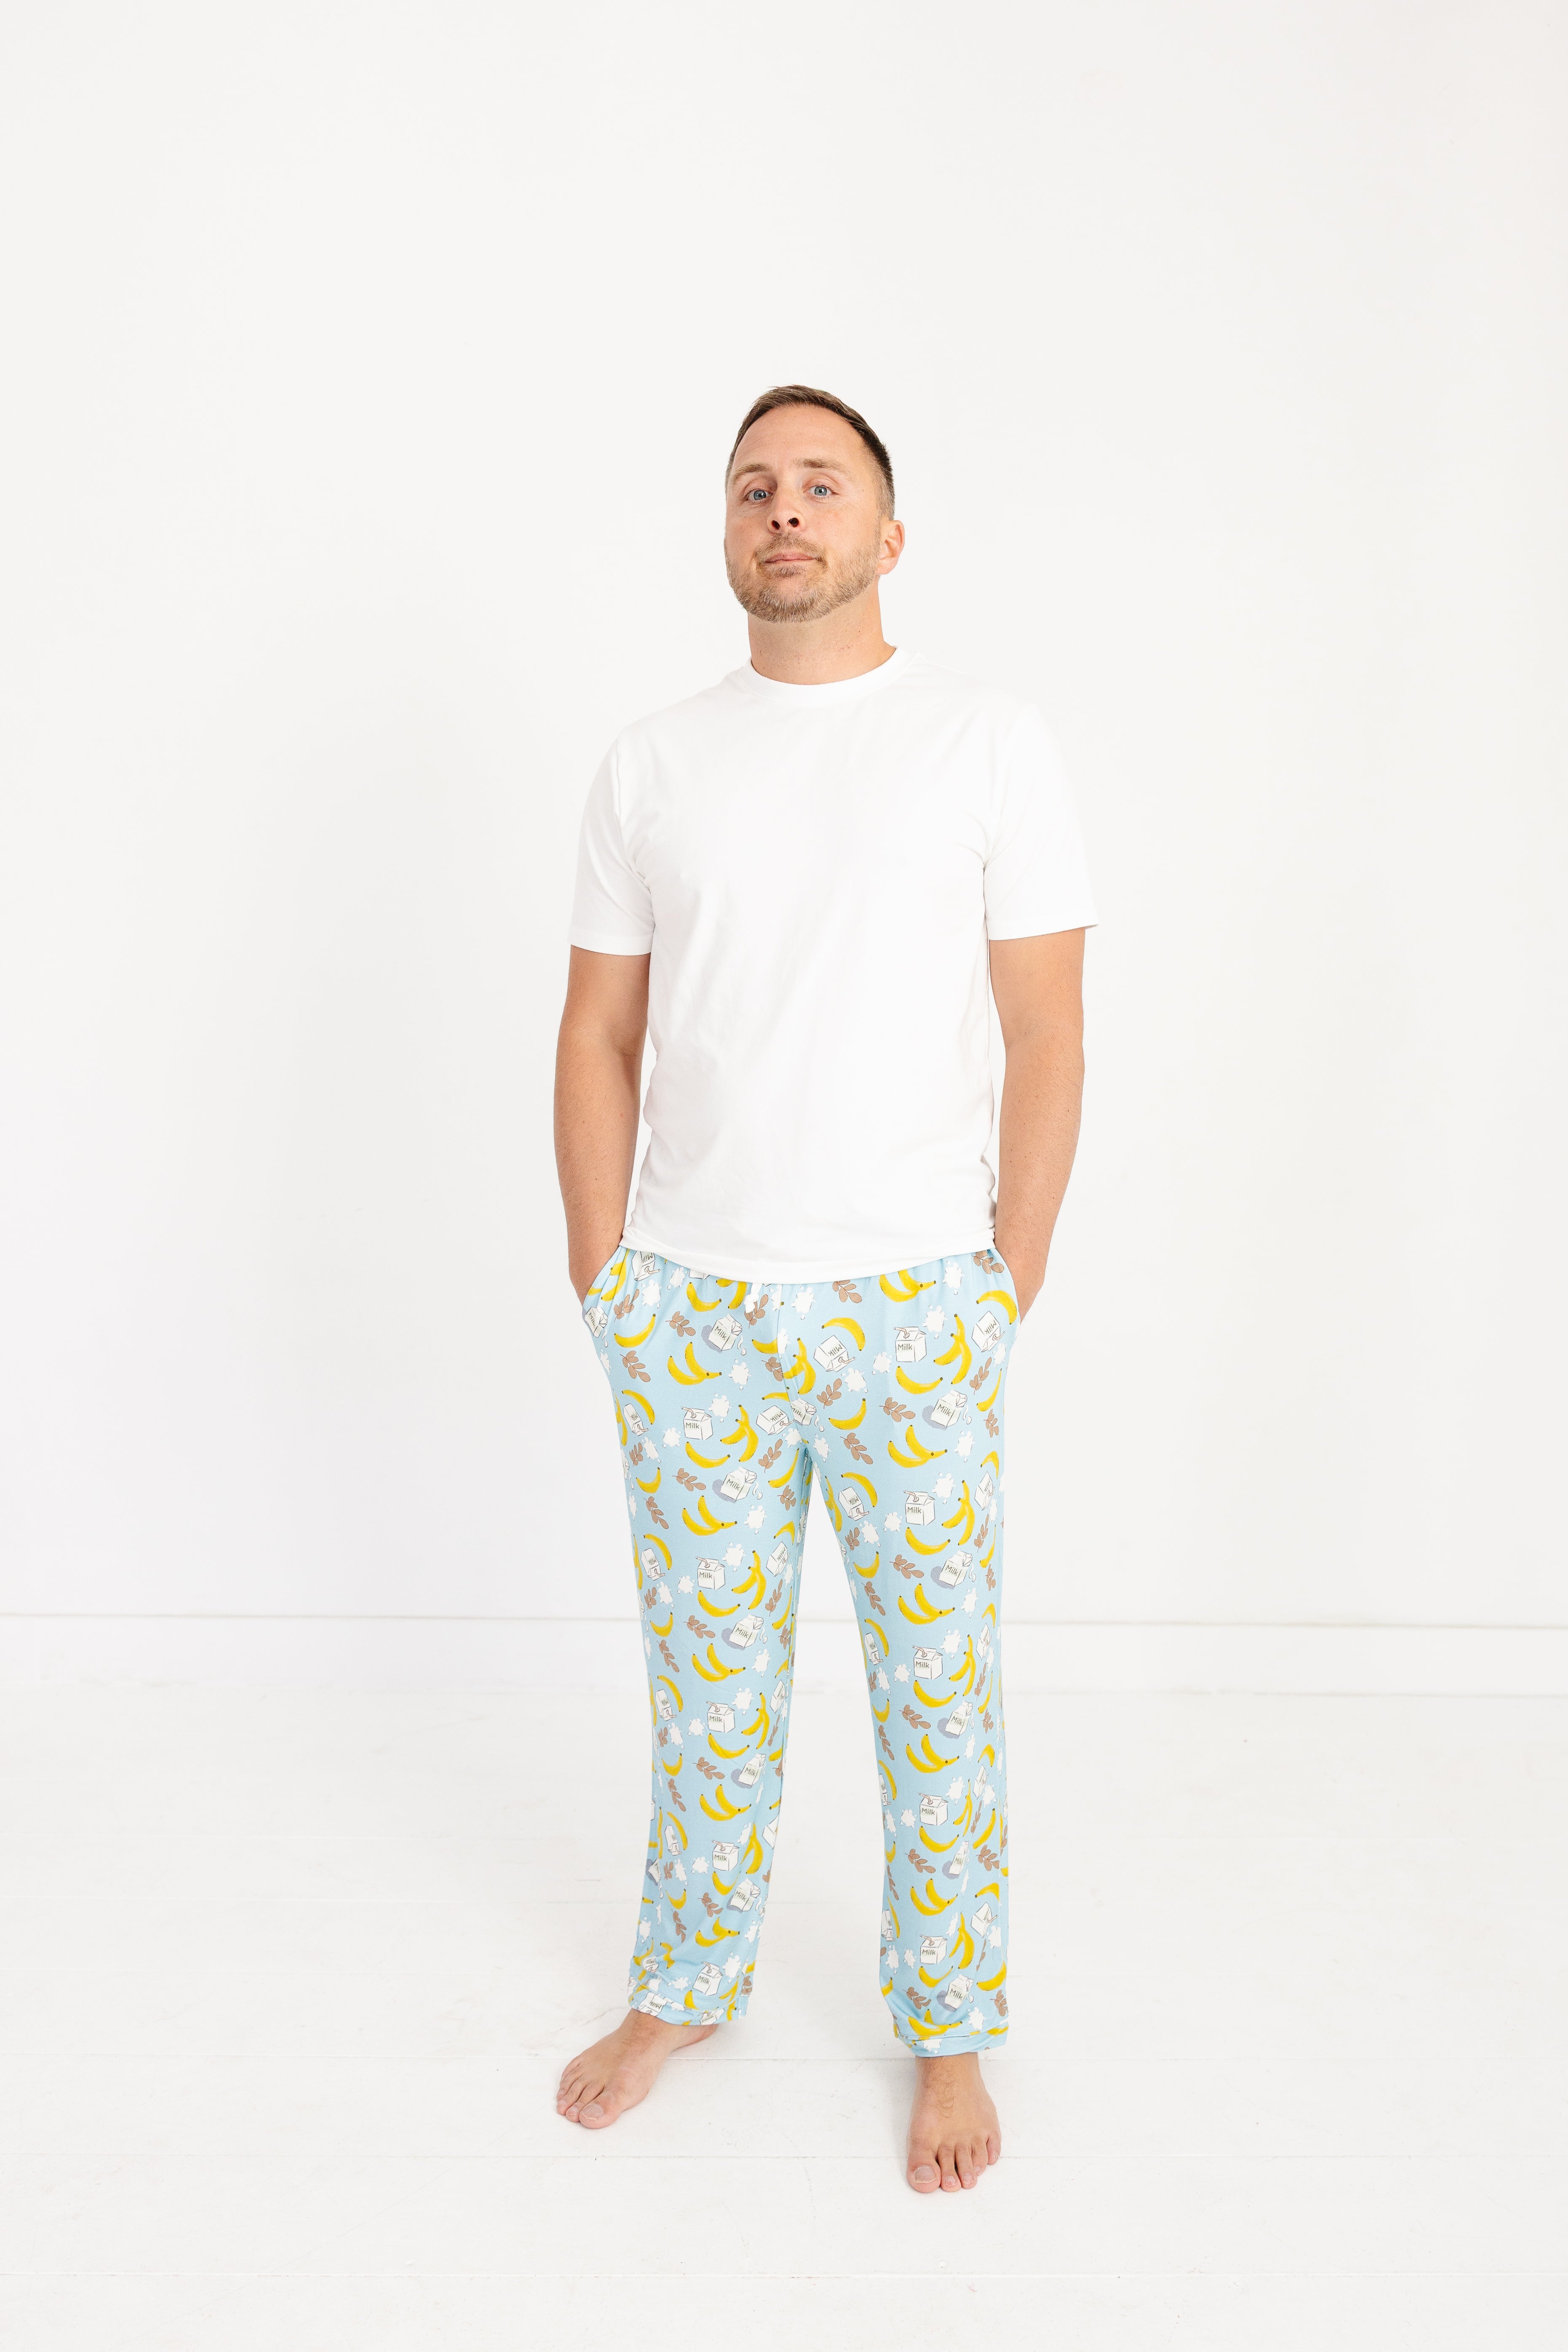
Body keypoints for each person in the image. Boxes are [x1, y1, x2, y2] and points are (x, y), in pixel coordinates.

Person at [552, 384, 1095, 2194]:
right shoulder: (651, 763)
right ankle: (685, 1985)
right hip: (694, 1310)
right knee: (709, 1689)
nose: (784, 511)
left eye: (821, 485)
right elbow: (598, 1028)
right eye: (753, 488)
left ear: (888, 532)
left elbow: (1047, 1030)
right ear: (728, 532)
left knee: (939, 1691)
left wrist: (1004, 1277)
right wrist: (605, 1273)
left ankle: (950, 2029)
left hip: (915, 1306)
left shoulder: (986, 741)